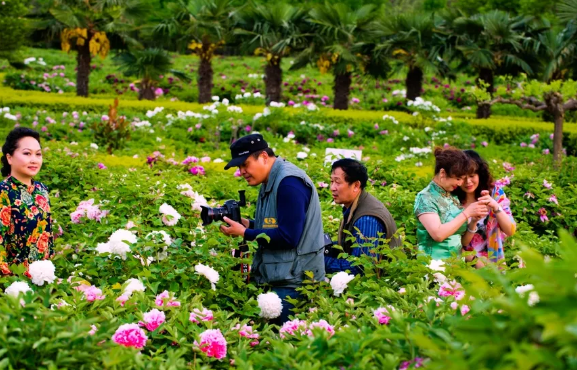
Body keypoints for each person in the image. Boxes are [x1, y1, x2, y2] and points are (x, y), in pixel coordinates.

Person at [219, 133, 325, 324]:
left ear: (264, 157)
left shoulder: (288, 183)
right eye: (239, 167)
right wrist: (248, 224)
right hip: (281, 275)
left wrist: (244, 233)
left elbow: (289, 237)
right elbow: (278, 224)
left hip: (295, 282)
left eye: (245, 164)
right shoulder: (270, 180)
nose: (242, 171)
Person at [325, 158, 399, 275]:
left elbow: (361, 268)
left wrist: (320, 262)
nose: (332, 188)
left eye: (338, 182)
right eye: (331, 181)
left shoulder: (367, 219)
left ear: (356, 185)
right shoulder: (355, 206)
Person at [414, 147, 489, 259]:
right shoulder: (426, 197)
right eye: (458, 178)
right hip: (433, 265)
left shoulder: (452, 197)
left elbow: (462, 241)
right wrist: (466, 214)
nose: (460, 183)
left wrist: (474, 221)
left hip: (455, 264)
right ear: (443, 173)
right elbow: (438, 235)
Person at [0, 127, 53, 276]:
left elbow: (47, 234)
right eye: (27, 153)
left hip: (42, 278)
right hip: (12, 281)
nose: (34, 160)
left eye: (38, 154)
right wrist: (9, 280)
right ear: (9, 157)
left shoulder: (42, 190)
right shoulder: (4, 191)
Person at [454, 150, 516, 268]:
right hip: (463, 264)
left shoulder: (495, 193)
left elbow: (510, 230)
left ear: (480, 174)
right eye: (463, 177)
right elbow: (454, 241)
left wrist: (495, 206)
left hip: (494, 263)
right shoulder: (453, 200)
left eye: (472, 176)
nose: (468, 182)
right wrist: (473, 259)